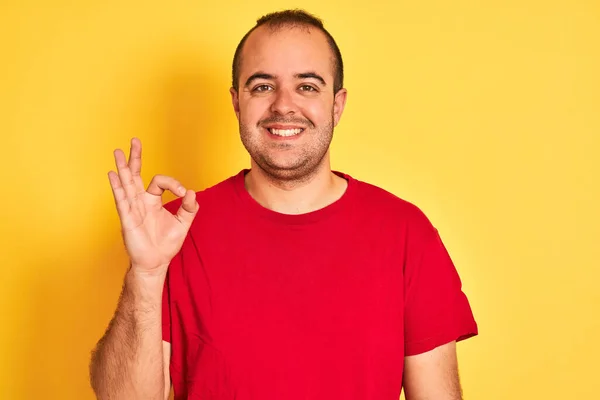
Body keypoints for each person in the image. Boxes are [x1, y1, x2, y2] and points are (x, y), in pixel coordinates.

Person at [89, 9, 478, 400]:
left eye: (307, 86)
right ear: (237, 103)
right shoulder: (174, 231)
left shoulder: (405, 232)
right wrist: (146, 273)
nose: (283, 106)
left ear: (337, 105)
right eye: (262, 87)